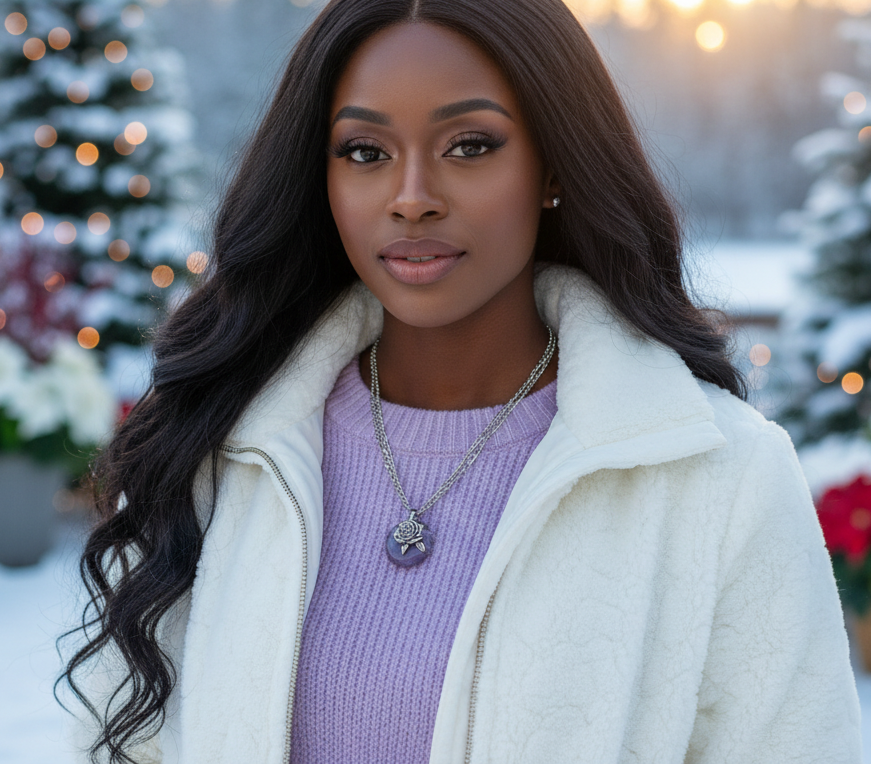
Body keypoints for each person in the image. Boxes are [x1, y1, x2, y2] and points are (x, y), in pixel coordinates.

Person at [61, 0, 861, 762]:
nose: (411, 198)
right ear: (322, 180)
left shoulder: (720, 477)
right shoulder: (220, 444)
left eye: (469, 145)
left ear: (554, 164)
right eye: (365, 153)